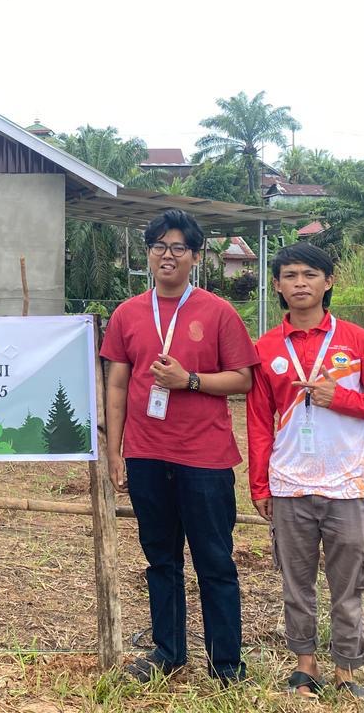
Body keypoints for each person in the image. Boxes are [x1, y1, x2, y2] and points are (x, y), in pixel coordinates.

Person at [100, 209, 258, 683]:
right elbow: (116, 386)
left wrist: (188, 380)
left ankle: (226, 664)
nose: (167, 255)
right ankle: (168, 654)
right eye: (158, 246)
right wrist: (116, 451)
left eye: (178, 248)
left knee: (214, 560)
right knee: (161, 559)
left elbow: (243, 379)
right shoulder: (128, 313)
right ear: (148, 254)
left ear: (194, 257)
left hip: (204, 458)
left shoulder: (218, 311)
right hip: (147, 455)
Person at [247, 243, 364, 699]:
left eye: (309, 274)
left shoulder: (357, 341)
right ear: (276, 285)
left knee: (348, 583)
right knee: (296, 584)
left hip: (348, 486)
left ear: (328, 281)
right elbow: (258, 421)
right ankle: (305, 666)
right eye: (289, 275)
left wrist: (342, 398)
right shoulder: (267, 349)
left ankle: (347, 668)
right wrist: (260, 484)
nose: (299, 283)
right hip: (290, 485)